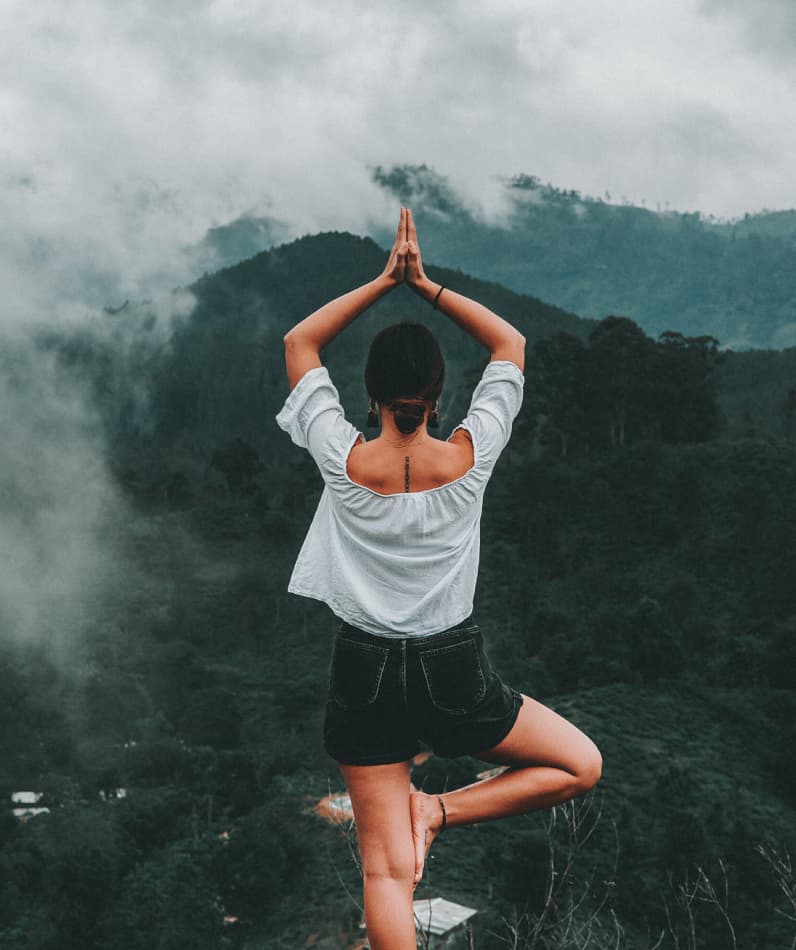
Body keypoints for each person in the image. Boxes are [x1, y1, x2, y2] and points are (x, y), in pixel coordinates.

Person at [276, 208, 602, 950]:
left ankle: (425, 815)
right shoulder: (470, 454)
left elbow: (300, 341)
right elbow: (510, 343)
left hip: (361, 671)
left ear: (368, 387)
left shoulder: (341, 457)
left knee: (385, 879)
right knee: (581, 765)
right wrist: (424, 287)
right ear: (437, 388)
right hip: (451, 670)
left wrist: (380, 281)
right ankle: (442, 811)